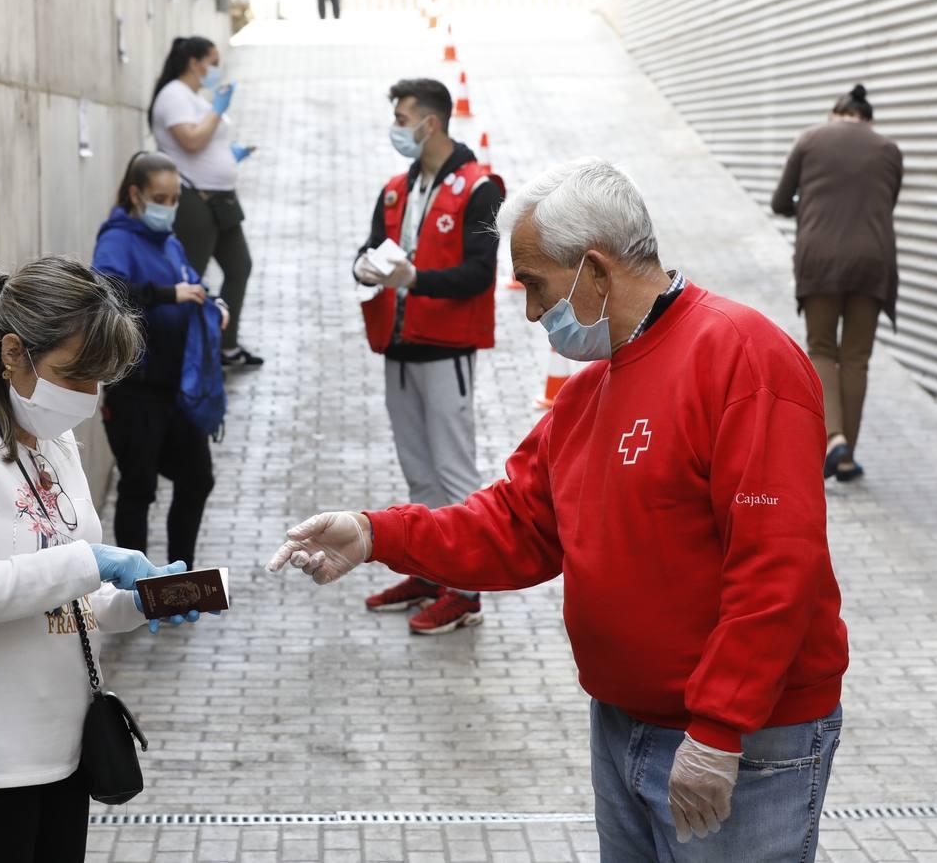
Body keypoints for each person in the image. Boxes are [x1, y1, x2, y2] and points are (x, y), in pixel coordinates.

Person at [271, 159, 850, 862]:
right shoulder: (588, 395)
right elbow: (513, 525)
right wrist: (374, 533)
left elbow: (776, 565)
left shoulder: (744, 361)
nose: (531, 311)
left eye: (538, 286)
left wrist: (720, 728)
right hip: (625, 724)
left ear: (596, 272)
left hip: (741, 740)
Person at [0, 257, 205, 862]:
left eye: (97, 379)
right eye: (72, 375)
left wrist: (132, 605)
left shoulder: (54, 443)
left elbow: (58, 604)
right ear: (12, 354)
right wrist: (94, 561)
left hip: (60, 752)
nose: (86, 395)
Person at [352, 77, 504, 635]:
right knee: (419, 473)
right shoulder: (396, 188)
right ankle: (428, 568)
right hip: (399, 348)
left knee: (454, 472)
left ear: (430, 122)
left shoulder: (479, 187)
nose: (397, 127)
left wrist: (415, 277)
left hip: (447, 353)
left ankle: (464, 591)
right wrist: (364, 269)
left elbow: (480, 274)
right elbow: (367, 249)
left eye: (402, 116)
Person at [92, 151, 228, 567]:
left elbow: (193, 282)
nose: (168, 208)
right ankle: (135, 584)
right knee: (138, 486)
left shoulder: (168, 241)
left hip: (176, 390)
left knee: (197, 478)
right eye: (160, 198)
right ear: (135, 194)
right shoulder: (116, 238)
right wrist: (168, 295)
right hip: (136, 389)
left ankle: (178, 575)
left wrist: (213, 302)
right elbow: (108, 291)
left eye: (174, 200)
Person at [772, 83, 903, 483]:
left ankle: (834, 439)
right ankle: (846, 456)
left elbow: (780, 202)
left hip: (820, 259)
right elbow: (886, 202)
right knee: (857, 357)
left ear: (835, 113)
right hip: (872, 261)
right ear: (869, 119)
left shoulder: (810, 139)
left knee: (822, 349)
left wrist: (809, 208)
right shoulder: (888, 150)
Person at [149, 36, 264, 368]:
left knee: (239, 266)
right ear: (194, 62)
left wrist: (231, 156)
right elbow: (191, 141)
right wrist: (216, 111)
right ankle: (182, 350)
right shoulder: (173, 95)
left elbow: (206, 144)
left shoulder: (191, 97)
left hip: (221, 200)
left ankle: (225, 346)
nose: (216, 68)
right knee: (191, 277)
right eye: (212, 62)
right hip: (194, 199)